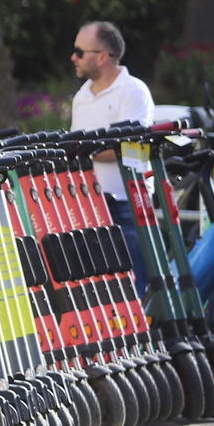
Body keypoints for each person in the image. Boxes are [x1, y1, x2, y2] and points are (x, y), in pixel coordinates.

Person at [68, 20, 155, 293]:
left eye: (80, 52)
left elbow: (126, 146)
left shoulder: (133, 90)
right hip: (90, 204)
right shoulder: (81, 96)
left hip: (126, 203)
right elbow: (81, 148)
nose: (74, 57)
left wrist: (81, 150)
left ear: (102, 57)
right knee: (99, 289)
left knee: (134, 287)